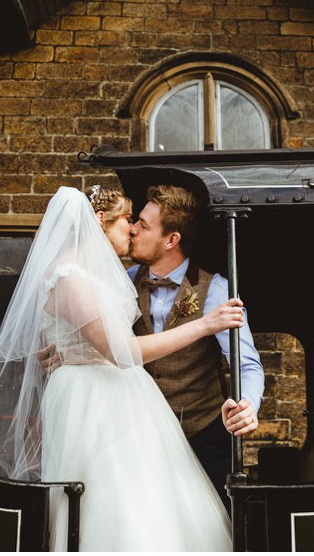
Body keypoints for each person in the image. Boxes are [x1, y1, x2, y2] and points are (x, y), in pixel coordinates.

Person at [0, 186, 240, 550]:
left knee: (148, 498)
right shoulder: (70, 277)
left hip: (123, 396)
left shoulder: (97, 274)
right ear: (101, 221)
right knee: (109, 495)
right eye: (126, 221)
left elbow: (93, 344)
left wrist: (75, 350)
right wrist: (204, 324)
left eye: (138, 224)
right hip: (94, 399)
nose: (132, 229)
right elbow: (121, 352)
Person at [126, 184, 264, 503]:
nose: (132, 229)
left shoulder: (215, 289)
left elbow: (246, 363)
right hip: (138, 433)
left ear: (171, 239)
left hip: (203, 435)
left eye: (143, 225)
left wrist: (249, 406)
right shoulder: (122, 282)